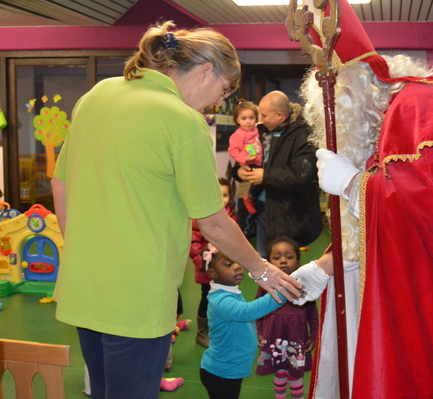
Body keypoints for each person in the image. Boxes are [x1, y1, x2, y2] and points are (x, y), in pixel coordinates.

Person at [50, 21, 302, 399]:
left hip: (83, 285)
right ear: (205, 71)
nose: (219, 100)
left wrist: (82, 249)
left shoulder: (97, 94)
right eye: (224, 89)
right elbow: (213, 223)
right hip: (136, 296)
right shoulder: (183, 121)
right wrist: (261, 269)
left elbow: (60, 183)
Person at [292, 1, 433, 398]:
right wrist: (327, 267)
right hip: (405, 288)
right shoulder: (388, 112)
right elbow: (385, 226)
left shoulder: (419, 109)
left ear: (354, 93)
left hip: (430, 302)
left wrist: (353, 183)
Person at [233, 91, 322, 257]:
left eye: (264, 115)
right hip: (261, 211)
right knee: (262, 261)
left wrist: (265, 176)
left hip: (289, 214)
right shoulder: (259, 131)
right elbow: (244, 157)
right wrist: (238, 171)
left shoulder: (303, 134)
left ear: (279, 115)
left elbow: (302, 174)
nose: (260, 119)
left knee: (285, 265)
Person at [199, 244, 287, 399]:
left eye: (237, 262)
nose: (237, 266)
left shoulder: (228, 292)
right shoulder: (220, 300)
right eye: (228, 264)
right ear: (212, 273)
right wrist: (284, 290)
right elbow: (247, 312)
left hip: (231, 370)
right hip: (222, 374)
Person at [255, 237, 319, 399]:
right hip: (273, 337)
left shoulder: (303, 286)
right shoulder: (266, 286)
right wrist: (260, 332)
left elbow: (313, 316)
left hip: (296, 339)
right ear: (269, 264)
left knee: (295, 375)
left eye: (289, 257)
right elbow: (257, 311)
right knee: (280, 372)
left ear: (298, 263)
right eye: (277, 258)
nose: (283, 261)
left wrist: (313, 336)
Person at [190, 177, 237, 347]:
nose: (221, 200)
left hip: (226, 270)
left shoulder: (232, 215)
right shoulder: (200, 218)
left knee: (225, 298)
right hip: (207, 270)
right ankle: (202, 333)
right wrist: (203, 263)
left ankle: (220, 329)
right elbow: (194, 244)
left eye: (224, 195)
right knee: (207, 299)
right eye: (217, 195)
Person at [228, 100, 262, 214]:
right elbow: (233, 151)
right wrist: (244, 159)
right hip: (247, 166)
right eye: (244, 118)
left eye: (251, 118)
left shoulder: (258, 130)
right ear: (237, 120)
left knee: (260, 184)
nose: (248, 122)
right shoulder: (238, 135)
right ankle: (246, 200)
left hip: (260, 164)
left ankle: (250, 197)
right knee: (245, 188)